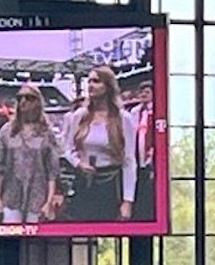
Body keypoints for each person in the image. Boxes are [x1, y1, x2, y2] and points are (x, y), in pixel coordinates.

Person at [63, 64, 137, 221]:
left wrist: (127, 201)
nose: (90, 85)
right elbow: (68, 149)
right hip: (84, 183)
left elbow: (129, 161)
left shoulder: (123, 119)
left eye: (96, 81)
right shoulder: (80, 115)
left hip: (110, 184)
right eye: (89, 81)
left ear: (108, 86)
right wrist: (78, 163)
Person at [0, 84, 61, 224]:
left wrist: (49, 201)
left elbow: (52, 172)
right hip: (11, 194)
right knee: (12, 237)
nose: (23, 101)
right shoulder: (6, 132)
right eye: (20, 98)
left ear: (37, 102)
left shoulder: (46, 133)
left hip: (38, 195)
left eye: (29, 98)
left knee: (34, 240)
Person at [131, 80, 157, 221]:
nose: (143, 95)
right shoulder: (134, 111)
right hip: (135, 156)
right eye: (141, 92)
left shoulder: (157, 111)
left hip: (149, 155)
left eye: (147, 92)